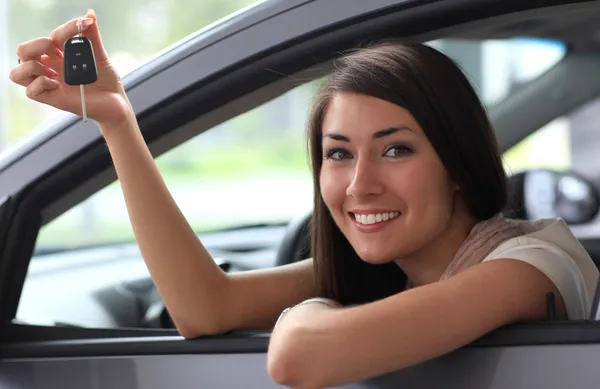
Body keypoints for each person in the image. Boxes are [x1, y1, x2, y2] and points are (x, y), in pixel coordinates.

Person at [9, 10, 599, 389]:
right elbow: (205, 309)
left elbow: (298, 359)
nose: (359, 185)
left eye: (396, 151)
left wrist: (318, 306)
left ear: (459, 166)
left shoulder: (532, 264)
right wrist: (117, 121)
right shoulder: (396, 265)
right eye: (338, 154)